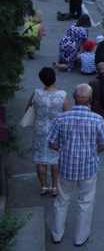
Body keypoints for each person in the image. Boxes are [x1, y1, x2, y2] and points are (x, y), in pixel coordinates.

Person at [48, 84, 104, 247]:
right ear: (90, 99)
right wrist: (90, 151)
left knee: (61, 201)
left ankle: (57, 235)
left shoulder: (61, 118)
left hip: (66, 167)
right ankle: (80, 238)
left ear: (74, 97)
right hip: (88, 168)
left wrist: (66, 149)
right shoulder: (97, 119)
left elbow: (52, 144)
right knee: (85, 202)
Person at [26, 67, 71, 196]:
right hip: (56, 131)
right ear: (54, 78)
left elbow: (28, 110)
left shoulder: (37, 94)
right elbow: (67, 115)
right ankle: (55, 186)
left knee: (41, 159)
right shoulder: (62, 95)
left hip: (40, 130)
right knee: (55, 159)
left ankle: (43, 186)